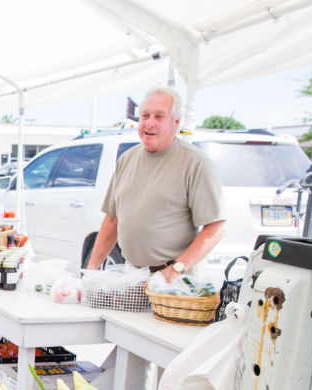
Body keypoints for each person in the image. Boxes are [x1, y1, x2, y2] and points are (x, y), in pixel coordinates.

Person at [86, 85, 226, 282]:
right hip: (132, 275)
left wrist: (176, 268)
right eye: (145, 116)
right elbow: (112, 220)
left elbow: (216, 227)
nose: (149, 123)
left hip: (174, 280)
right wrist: (91, 270)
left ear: (175, 122)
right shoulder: (127, 159)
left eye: (159, 116)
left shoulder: (195, 163)